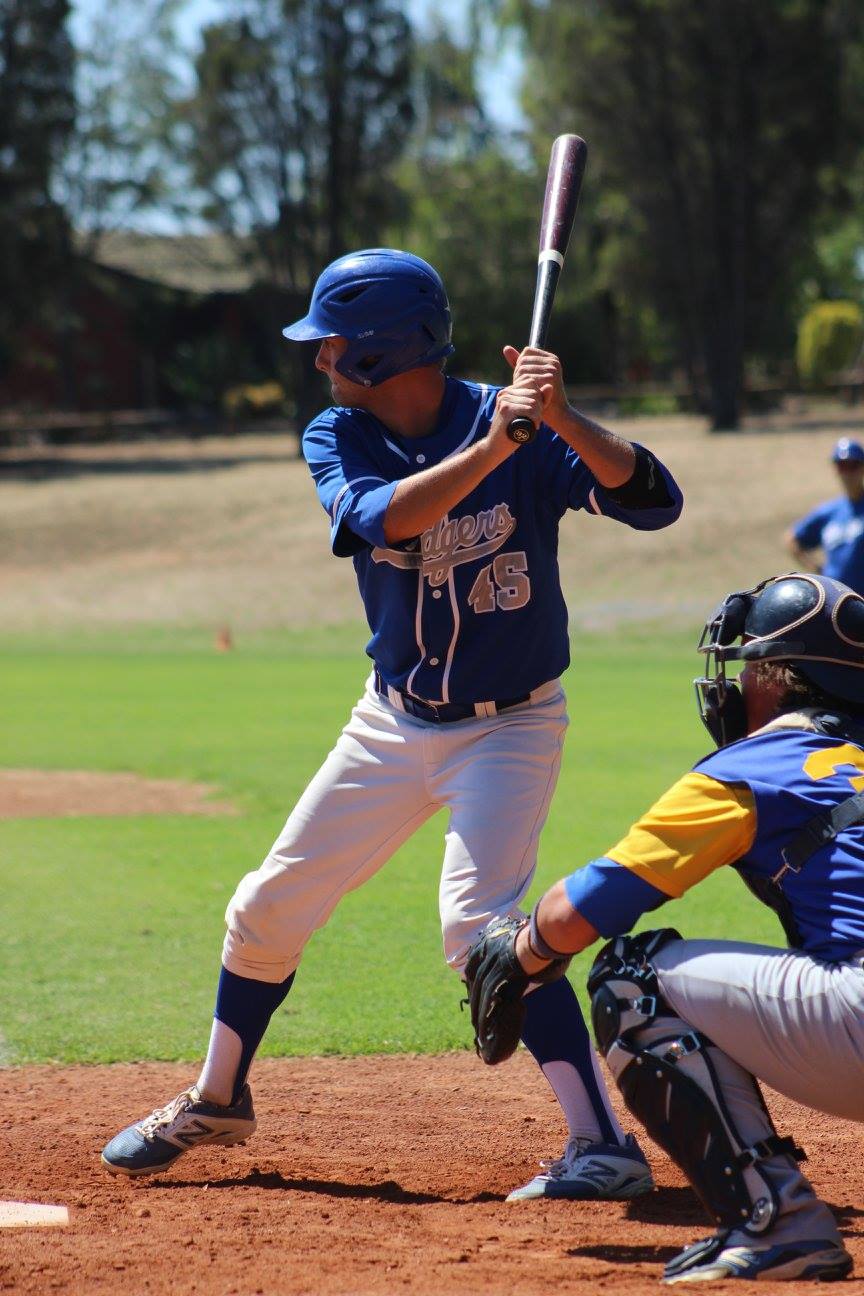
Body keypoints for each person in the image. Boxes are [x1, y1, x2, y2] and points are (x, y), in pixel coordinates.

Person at [100, 248, 683, 1200]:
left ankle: (602, 1146)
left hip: (510, 728)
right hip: (393, 719)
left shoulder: (523, 423)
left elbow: (655, 501)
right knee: (264, 908)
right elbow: (386, 523)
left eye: (332, 347)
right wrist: (499, 445)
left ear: (379, 351)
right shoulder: (340, 435)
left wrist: (562, 418)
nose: (320, 364)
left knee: (481, 931)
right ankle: (217, 1099)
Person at [467, 571, 863, 1281]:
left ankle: (778, 1223)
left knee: (632, 977)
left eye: (747, 668)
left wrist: (521, 953)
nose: (736, 687)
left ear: (780, 678)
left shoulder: (760, 766)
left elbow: (574, 914)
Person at [786, 436, 864, 593]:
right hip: (836, 599)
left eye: (853, 466)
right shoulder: (829, 512)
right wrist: (818, 571)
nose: (848, 473)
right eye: (842, 466)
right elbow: (792, 540)